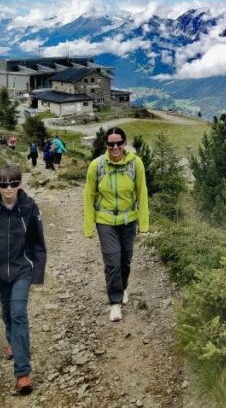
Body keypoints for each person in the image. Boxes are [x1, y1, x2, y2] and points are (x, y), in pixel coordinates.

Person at [0, 166, 47, 395]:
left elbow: (38, 241)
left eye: (13, 183)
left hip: (22, 271)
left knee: (18, 314)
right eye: (3, 184)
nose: (9, 189)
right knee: (7, 312)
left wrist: (37, 272)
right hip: (0, 272)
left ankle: (23, 372)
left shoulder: (29, 208)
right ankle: (13, 342)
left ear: (21, 184)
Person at [84, 127, 148, 322]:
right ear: (106, 145)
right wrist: (88, 226)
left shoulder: (135, 164)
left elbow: (142, 193)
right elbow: (89, 195)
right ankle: (115, 303)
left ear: (124, 143)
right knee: (112, 261)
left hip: (129, 220)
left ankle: (123, 286)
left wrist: (144, 224)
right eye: (111, 144)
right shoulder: (97, 165)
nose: (115, 147)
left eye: (118, 143)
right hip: (105, 221)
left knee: (125, 260)